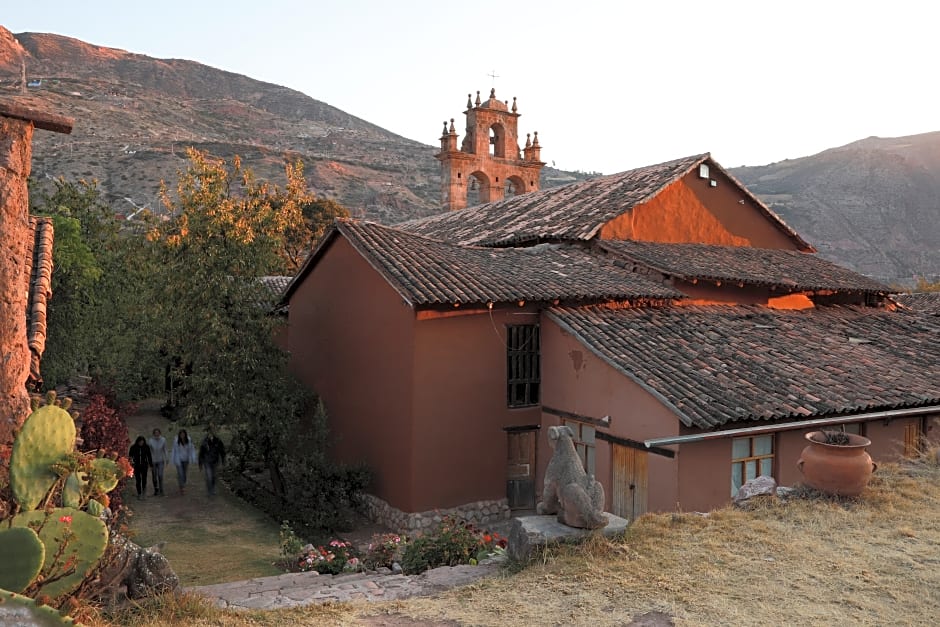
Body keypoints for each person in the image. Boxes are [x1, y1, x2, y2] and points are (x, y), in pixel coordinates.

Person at [198, 427, 226, 497]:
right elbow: (201, 453)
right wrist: (200, 463)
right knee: (209, 477)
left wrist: (223, 461)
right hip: (207, 462)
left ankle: (212, 489)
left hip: (215, 461)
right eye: (209, 433)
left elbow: (222, 452)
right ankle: (210, 491)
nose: (211, 434)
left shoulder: (218, 441)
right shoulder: (204, 442)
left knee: (213, 476)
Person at [171, 429, 197, 494]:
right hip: (178, 459)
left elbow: (192, 450)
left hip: (186, 460)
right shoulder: (176, 440)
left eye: (183, 434)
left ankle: (183, 484)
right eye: (181, 434)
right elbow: (174, 450)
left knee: (184, 474)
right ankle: (182, 487)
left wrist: (193, 458)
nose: (182, 435)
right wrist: (173, 459)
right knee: (180, 473)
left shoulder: (189, 440)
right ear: (179, 435)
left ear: (185, 434)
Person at [129, 436, 152, 500]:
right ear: (138, 442)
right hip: (136, 465)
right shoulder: (133, 447)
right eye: (140, 442)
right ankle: (139, 493)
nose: (141, 443)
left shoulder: (146, 447)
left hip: (144, 465)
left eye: (142, 442)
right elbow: (130, 456)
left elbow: (149, 456)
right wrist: (131, 463)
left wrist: (151, 464)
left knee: (144, 479)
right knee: (138, 480)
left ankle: (144, 492)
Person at [147, 428, 168, 496]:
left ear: (159, 433)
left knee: (160, 475)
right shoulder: (150, 441)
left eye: (158, 432)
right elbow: (148, 451)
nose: (157, 434)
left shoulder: (163, 440)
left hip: (160, 460)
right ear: (154, 433)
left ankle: (161, 490)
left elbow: (165, 449)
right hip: (153, 461)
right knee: (154, 476)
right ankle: (156, 489)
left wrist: (167, 458)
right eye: (155, 432)